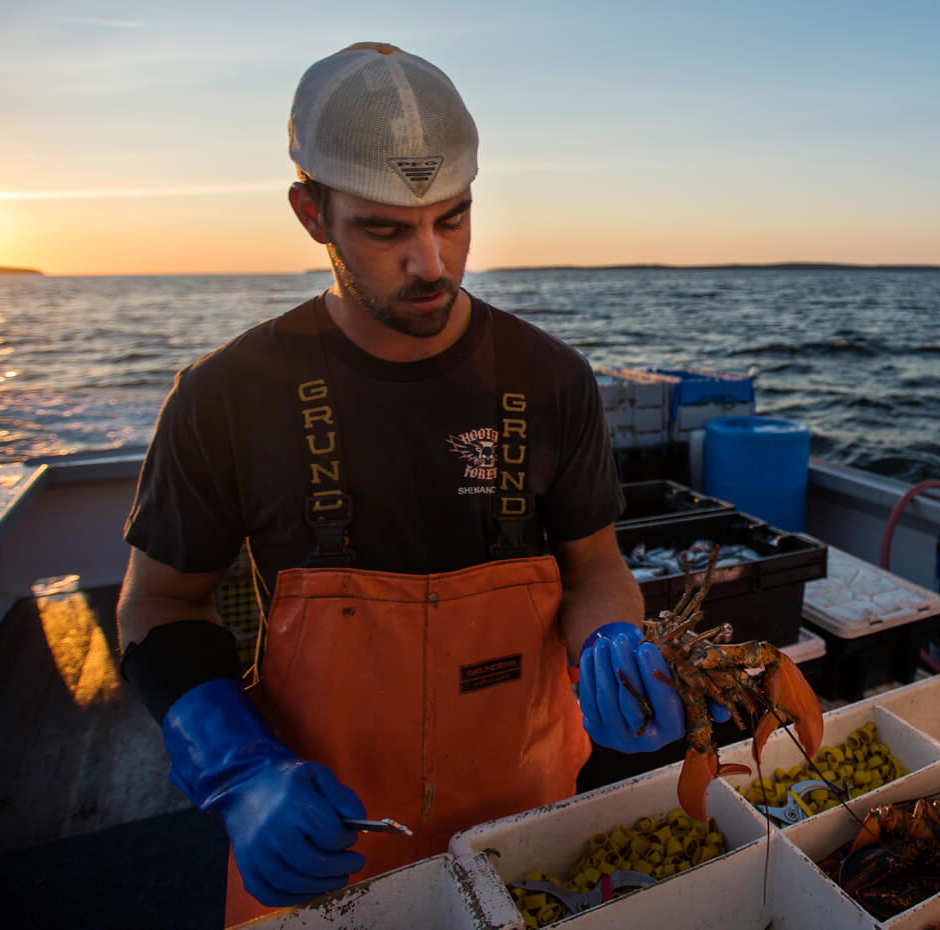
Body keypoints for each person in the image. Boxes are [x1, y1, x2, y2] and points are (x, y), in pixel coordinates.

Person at [116, 42, 696, 925]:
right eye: (385, 230)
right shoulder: (225, 395)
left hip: (532, 827)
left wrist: (611, 643)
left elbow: (594, 572)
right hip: (324, 845)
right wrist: (234, 769)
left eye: (452, 219)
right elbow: (157, 605)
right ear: (311, 212)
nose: (430, 262)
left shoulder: (552, 379)